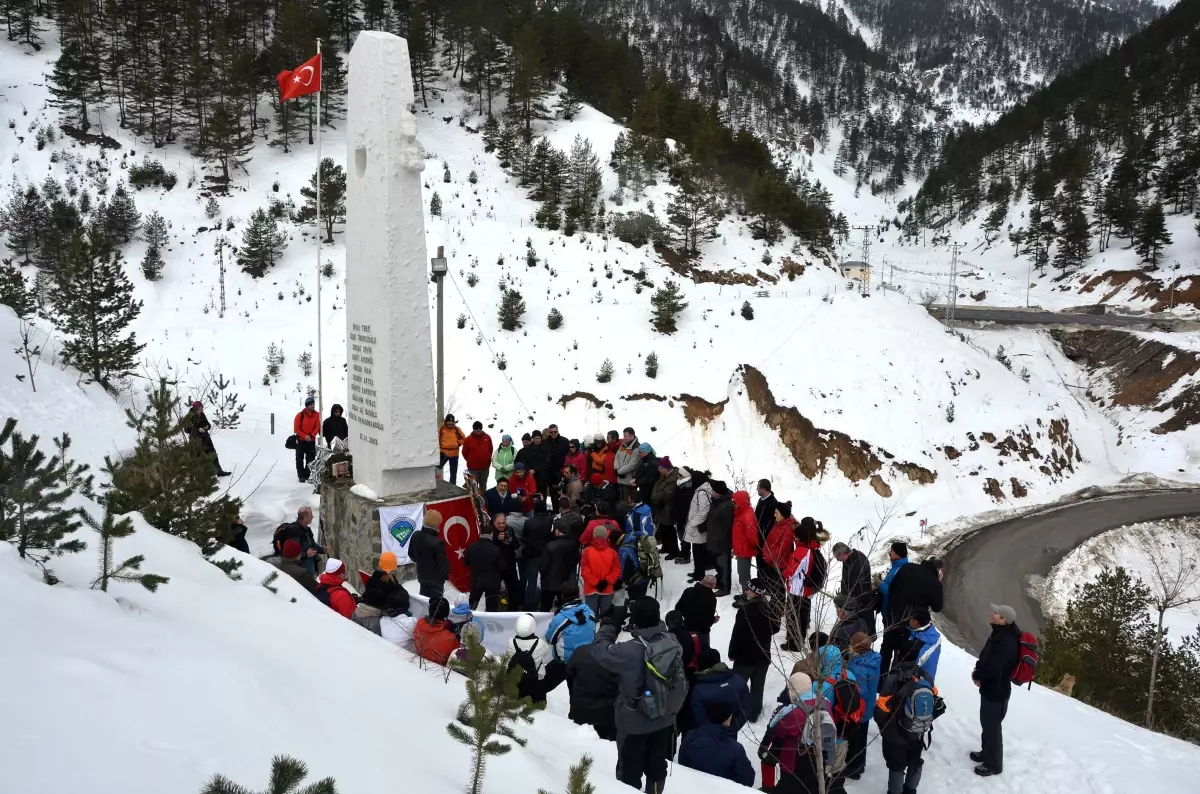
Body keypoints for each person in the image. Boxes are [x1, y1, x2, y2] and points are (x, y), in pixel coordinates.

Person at [591, 597, 687, 793]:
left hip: (634, 722)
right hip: (665, 719)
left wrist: (610, 624)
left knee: (629, 773)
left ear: (634, 621)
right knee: (657, 767)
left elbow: (600, 651)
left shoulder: (629, 651)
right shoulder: (672, 642)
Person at [759, 671, 836, 794]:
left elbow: (775, 730)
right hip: (821, 755)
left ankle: (768, 789)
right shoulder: (825, 701)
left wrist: (763, 747)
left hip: (795, 759)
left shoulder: (792, 711)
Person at [971, 604, 1021, 777]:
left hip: (997, 690)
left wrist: (979, 675)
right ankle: (986, 754)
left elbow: (995, 668)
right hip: (990, 687)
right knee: (987, 723)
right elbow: (987, 656)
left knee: (992, 728)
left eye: (995, 613)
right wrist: (978, 671)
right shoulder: (999, 633)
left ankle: (994, 765)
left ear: (1003, 619)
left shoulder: (1007, 641)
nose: (991, 614)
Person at [874, 661, 938, 794]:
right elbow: (935, 696)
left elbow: (880, 713)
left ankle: (895, 792)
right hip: (918, 731)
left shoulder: (893, 680)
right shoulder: (925, 676)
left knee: (896, 766)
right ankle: (910, 790)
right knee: (915, 761)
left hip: (895, 734)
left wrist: (883, 726)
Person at [728, 578, 780, 722]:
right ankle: (754, 713)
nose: (745, 591)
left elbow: (736, 635)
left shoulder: (745, 611)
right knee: (757, 688)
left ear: (756, 593)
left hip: (745, 658)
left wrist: (732, 654)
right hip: (763, 657)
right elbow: (775, 628)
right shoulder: (770, 608)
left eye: (748, 589)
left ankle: (733, 712)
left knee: (737, 686)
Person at [883, 553, 944, 673]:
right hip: (912, 624)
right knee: (903, 655)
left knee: (886, 649)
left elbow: (891, 588)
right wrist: (939, 583)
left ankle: (880, 684)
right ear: (938, 570)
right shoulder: (934, 583)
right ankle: (894, 682)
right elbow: (937, 607)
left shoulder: (907, 567)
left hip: (892, 617)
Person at [678, 699, 755, 786]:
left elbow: (682, 764)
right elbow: (747, 780)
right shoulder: (735, 749)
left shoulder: (690, 737)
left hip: (692, 787)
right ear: (727, 720)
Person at [566, 632, 621, 741]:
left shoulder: (580, 651)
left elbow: (569, 674)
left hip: (580, 710)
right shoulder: (617, 657)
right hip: (606, 713)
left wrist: (574, 696)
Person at [844, 632, 881, 780]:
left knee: (855, 740)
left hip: (858, 711)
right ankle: (860, 764)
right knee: (861, 738)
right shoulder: (874, 659)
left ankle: (853, 769)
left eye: (852, 643)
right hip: (869, 707)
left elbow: (861, 692)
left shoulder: (858, 668)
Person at [689, 648, 751, 731]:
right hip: (730, 736)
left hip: (706, 738)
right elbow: (745, 709)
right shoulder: (738, 681)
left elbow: (698, 720)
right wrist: (731, 730)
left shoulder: (698, 691)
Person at [878, 541, 911, 672]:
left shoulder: (901, 570)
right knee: (889, 646)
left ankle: (884, 676)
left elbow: (892, 592)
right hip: (890, 613)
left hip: (893, 616)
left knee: (888, 647)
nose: (889, 553)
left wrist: (879, 584)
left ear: (897, 554)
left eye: (891, 551)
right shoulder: (896, 567)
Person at [833, 541, 875, 637]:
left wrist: (847, 606)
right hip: (850, 603)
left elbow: (860, 589)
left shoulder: (860, 561)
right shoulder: (847, 561)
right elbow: (845, 582)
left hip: (860, 605)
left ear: (843, 554)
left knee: (862, 635)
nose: (837, 560)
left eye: (837, 557)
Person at [509, 612, 553, 703]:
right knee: (539, 711)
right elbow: (546, 652)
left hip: (517, 681)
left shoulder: (511, 643)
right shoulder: (540, 643)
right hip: (536, 682)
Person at [546, 581, 596, 661]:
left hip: (565, 661)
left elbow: (549, 640)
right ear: (578, 594)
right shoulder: (591, 613)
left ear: (562, 596)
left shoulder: (559, 618)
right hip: (587, 658)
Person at [463, 517, 505, 611]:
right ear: (491, 534)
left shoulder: (471, 547)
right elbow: (502, 567)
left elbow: (466, 563)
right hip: (493, 582)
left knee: (472, 608)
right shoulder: (496, 549)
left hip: (476, 581)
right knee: (491, 609)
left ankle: (469, 623)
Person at [580, 525, 621, 617]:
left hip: (590, 589)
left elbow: (584, 570)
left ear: (594, 535)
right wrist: (607, 581)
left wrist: (595, 582)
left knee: (591, 617)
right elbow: (617, 570)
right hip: (607, 589)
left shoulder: (587, 551)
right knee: (605, 618)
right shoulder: (613, 553)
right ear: (606, 536)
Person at [408, 508, 450, 599]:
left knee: (424, 603)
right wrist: (446, 573)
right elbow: (443, 565)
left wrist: (420, 561)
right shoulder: (438, 542)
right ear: (437, 525)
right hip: (436, 581)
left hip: (422, 577)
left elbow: (411, 554)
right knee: (435, 606)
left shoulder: (416, 535)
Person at [539, 523, 581, 611]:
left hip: (549, 582)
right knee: (565, 608)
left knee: (545, 609)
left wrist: (542, 573)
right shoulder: (573, 545)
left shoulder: (549, 546)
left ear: (558, 531)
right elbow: (576, 560)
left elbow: (543, 565)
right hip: (565, 581)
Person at [521, 498, 554, 608]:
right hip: (547, 554)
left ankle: (529, 604)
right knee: (546, 581)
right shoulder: (550, 520)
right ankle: (545, 603)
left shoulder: (529, 522)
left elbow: (525, 537)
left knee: (531, 581)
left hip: (533, 554)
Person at [184, 400, 231, 476]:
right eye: (198, 409)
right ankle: (196, 475)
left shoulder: (202, 414)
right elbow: (186, 429)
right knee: (196, 457)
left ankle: (219, 471)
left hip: (205, 437)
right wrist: (198, 429)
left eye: (201, 409)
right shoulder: (189, 416)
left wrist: (207, 427)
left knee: (212, 454)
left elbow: (208, 424)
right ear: (195, 409)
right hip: (195, 440)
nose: (200, 411)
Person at [705, 480, 735, 596]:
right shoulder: (717, 501)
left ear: (719, 493)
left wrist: (727, 542)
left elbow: (729, 526)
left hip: (722, 542)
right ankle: (720, 581)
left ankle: (725, 588)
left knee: (724, 566)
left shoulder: (727, 506)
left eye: (713, 490)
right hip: (714, 539)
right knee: (717, 564)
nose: (711, 492)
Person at [683, 470, 714, 581]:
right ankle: (698, 572)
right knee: (697, 551)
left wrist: (692, 523)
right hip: (698, 527)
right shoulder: (703, 489)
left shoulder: (702, 492)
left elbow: (704, 511)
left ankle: (699, 575)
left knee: (698, 553)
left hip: (698, 527)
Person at [412, 597, 460, 666]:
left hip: (419, 661)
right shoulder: (450, 638)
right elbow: (456, 655)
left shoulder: (420, 622)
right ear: (447, 613)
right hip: (438, 670)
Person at [674, 575, 719, 647]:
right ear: (714, 585)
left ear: (701, 581)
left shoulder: (688, 591)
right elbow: (708, 621)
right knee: (702, 655)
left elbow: (677, 609)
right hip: (701, 633)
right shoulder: (711, 599)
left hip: (686, 628)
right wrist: (714, 619)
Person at [650, 457, 680, 560]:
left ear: (666, 468)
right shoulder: (663, 476)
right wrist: (655, 496)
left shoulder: (673, 479)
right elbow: (656, 488)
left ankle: (674, 550)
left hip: (669, 507)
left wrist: (655, 496)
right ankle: (666, 546)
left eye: (660, 468)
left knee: (669, 529)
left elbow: (667, 494)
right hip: (661, 506)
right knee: (663, 528)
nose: (659, 470)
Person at [285, 506, 326, 576]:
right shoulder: (294, 532)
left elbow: (312, 546)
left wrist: (323, 550)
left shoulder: (306, 530)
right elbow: (292, 554)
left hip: (309, 571)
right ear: (305, 518)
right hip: (300, 574)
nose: (313, 517)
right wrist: (306, 554)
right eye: (311, 515)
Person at [904, 609, 942, 682]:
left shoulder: (932, 641)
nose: (909, 620)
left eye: (911, 619)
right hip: (911, 675)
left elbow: (919, 661)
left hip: (922, 680)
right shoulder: (918, 630)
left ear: (916, 623)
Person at [730, 490, 757, 592]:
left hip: (745, 550)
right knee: (742, 573)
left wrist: (744, 547)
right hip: (741, 549)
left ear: (741, 502)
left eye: (735, 502)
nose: (733, 504)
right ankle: (745, 595)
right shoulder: (741, 513)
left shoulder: (747, 516)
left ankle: (746, 597)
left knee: (744, 575)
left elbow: (752, 537)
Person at [670, 468, 695, 565]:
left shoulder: (688, 487)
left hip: (684, 516)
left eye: (680, 475)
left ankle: (685, 555)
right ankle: (684, 553)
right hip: (679, 515)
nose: (678, 477)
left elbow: (685, 504)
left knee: (684, 536)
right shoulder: (680, 485)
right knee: (681, 535)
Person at [293, 396, 320, 483]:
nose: (313, 406)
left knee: (310, 459)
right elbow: (296, 429)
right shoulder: (300, 415)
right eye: (311, 404)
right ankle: (301, 476)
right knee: (299, 458)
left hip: (311, 441)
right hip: (301, 440)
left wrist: (312, 435)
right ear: (307, 406)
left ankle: (307, 475)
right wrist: (305, 436)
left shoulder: (317, 415)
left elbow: (318, 427)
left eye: (313, 404)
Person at [462, 420, 494, 489]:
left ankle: (483, 499)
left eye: (479, 428)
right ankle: (473, 499)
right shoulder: (468, 439)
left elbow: (490, 449)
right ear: (473, 429)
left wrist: (487, 458)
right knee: (473, 487)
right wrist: (471, 460)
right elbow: (464, 452)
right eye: (476, 428)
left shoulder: (487, 438)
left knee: (483, 486)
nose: (478, 430)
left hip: (485, 468)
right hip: (473, 469)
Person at [544, 424, 571, 501]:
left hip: (562, 471)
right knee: (553, 493)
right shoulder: (545, 443)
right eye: (551, 432)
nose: (553, 433)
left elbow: (570, 455)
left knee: (564, 493)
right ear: (549, 432)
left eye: (555, 431)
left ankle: (564, 511)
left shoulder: (565, 441)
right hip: (550, 472)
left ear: (558, 431)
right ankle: (555, 511)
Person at [438, 414, 466, 485]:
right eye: (448, 421)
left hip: (454, 454)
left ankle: (453, 487)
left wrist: (458, 443)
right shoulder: (441, 429)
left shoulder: (457, 429)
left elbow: (464, 439)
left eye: (452, 421)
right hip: (443, 453)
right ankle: (438, 484)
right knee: (437, 469)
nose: (450, 423)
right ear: (446, 421)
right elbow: (436, 440)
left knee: (453, 474)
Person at [754, 478, 778, 562]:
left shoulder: (773, 504)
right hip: (759, 539)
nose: (756, 489)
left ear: (763, 489)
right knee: (759, 564)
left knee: (766, 566)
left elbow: (773, 525)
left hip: (767, 542)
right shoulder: (761, 500)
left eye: (758, 487)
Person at [524, 429, 552, 494]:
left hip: (542, 476)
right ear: (532, 439)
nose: (537, 440)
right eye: (536, 438)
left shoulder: (545, 448)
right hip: (530, 475)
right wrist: (529, 469)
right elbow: (525, 461)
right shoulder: (528, 449)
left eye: (539, 438)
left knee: (541, 495)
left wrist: (535, 469)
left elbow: (547, 462)